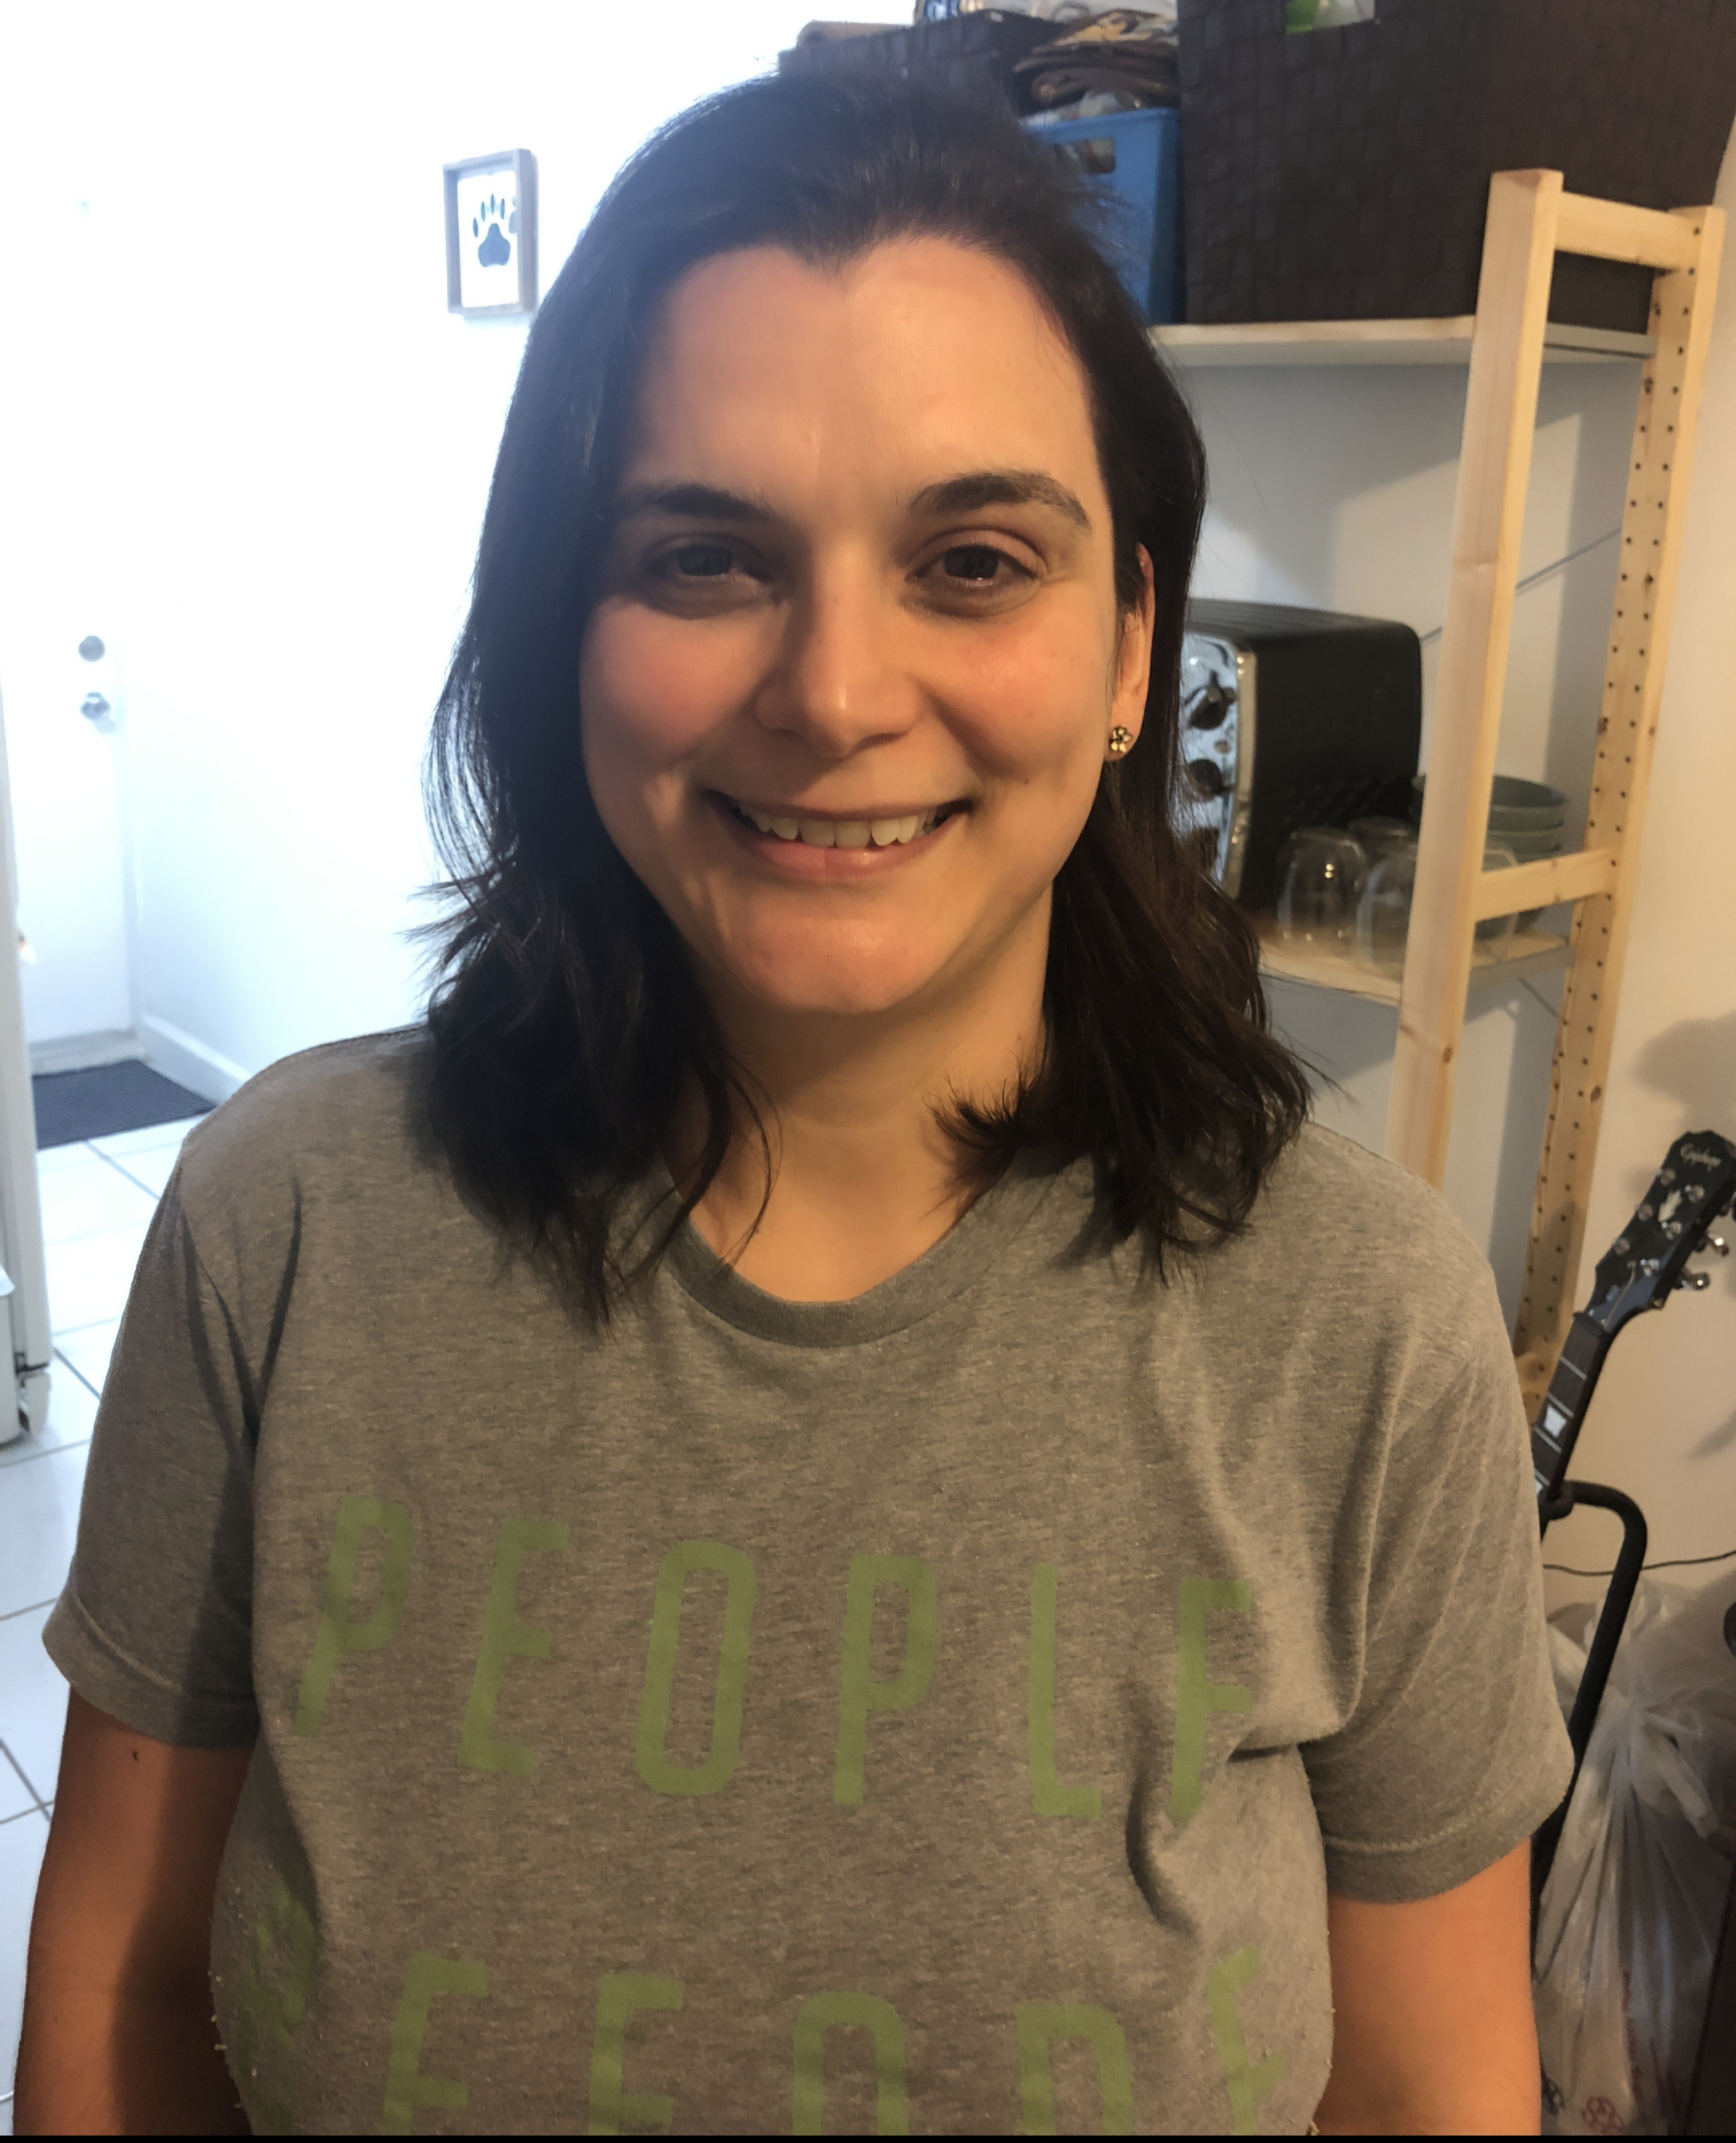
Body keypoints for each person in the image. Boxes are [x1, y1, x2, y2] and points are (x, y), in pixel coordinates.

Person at [16, 71, 1568, 2135]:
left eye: (974, 559)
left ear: (1133, 647)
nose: (835, 692)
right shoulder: (282, 1231)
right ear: (562, 632)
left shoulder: (1361, 1328)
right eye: (703, 556)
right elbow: (119, 1999)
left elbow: (1437, 2088)